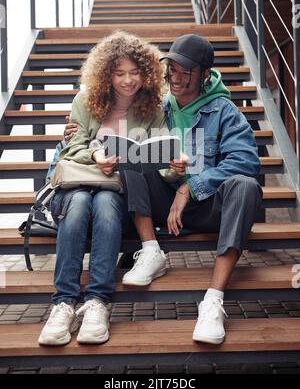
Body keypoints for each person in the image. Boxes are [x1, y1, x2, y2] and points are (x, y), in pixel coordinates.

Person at [119, 34, 262, 345]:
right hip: (163, 203)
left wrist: (191, 187)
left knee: (246, 186)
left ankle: (213, 300)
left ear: (204, 74)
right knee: (131, 157)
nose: (177, 77)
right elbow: (114, 114)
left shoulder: (224, 110)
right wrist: (75, 126)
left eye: (186, 71)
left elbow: (247, 161)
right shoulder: (159, 105)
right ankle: (151, 251)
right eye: (172, 68)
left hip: (208, 206)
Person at [38, 30, 168, 346]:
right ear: (106, 72)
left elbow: (161, 153)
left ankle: (97, 301)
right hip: (76, 186)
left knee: (107, 202)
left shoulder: (152, 107)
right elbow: (72, 147)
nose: (128, 80)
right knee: (81, 202)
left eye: (135, 72)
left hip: (117, 190)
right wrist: (97, 154)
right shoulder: (85, 100)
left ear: (147, 73)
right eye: (119, 72)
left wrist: (170, 165)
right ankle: (64, 303)